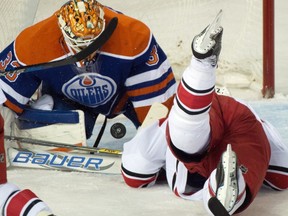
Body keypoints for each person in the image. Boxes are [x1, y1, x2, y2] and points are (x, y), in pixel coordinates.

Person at [121, 23, 288, 215]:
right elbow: (279, 166)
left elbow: (138, 164)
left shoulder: (195, 115)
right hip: (243, 124)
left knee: (141, 167)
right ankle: (225, 187)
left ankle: (202, 64)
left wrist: (151, 166)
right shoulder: (247, 113)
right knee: (269, 173)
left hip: (220, 117)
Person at [0, 0, 176, 140]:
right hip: (68, 100)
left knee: (162, 134)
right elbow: (4, 94)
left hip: (124, 97)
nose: (89, 52)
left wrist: (157, 140)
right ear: (62, 30)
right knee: (49, 130)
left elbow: (158, 105)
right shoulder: (34, 42)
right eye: (80, 44)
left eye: (94, 41)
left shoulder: (133, 36)